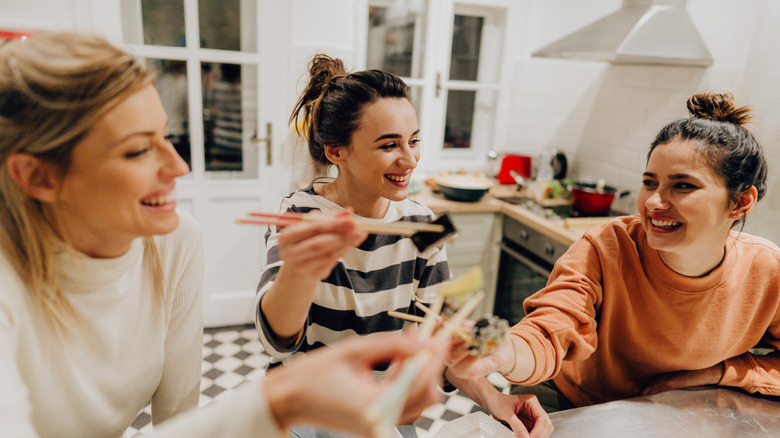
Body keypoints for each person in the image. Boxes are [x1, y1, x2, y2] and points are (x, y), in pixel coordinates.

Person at [0, 31, 448, 438]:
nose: (180, 167)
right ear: (38, 176)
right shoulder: (299, 213)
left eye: (167, 137)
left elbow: (180, 415)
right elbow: (277, 340)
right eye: (137, 149)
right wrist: (281, 400)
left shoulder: (174, 240)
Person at [446, 92, 780, 427]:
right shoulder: (608, 245)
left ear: (740, 202)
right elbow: (553, 326)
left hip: (676, 411)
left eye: (682, 186)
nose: (654, 202)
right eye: (650, 183)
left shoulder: (767, 272)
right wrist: (507, 352)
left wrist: (722, 372)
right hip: (571, 402)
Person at [255, 55, 451, 437]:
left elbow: (441, 330)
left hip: (384, 408)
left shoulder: (427, 225)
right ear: (336, 152)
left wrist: (490, 393)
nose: (410, 159)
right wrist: (301, 270)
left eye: (413, 141)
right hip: (308, 405)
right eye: (389, 145)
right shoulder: (298, 214)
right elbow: (276, 342)